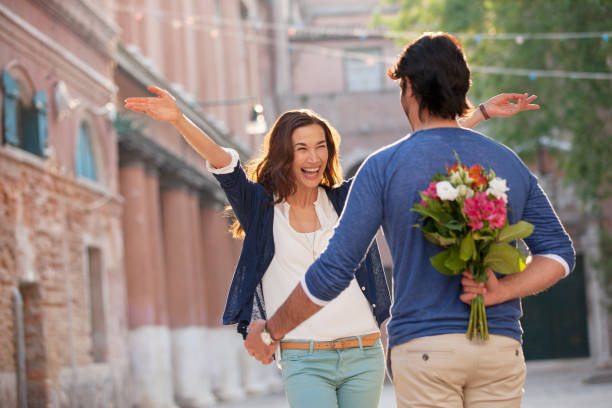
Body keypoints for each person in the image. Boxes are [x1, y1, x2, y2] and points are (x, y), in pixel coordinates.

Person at [125, 85, 539, 408]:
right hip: (304, 359)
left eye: (321, 146)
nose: (314, 156)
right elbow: (223, 162)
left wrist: (479, 114)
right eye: (302, 147)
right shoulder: (261, 208)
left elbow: (406, 156)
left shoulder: (346, 200)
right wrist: (178, 118)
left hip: (363, 354)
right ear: (284, 154)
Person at [245, 32, 575, 408]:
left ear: (410, 89)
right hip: (499, 347)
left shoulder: (384, 167)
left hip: (425, 350)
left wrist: (272, 331)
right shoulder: (506, 162)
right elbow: (560, 254)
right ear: (462, 88)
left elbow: (335, 269)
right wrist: (501, 290)